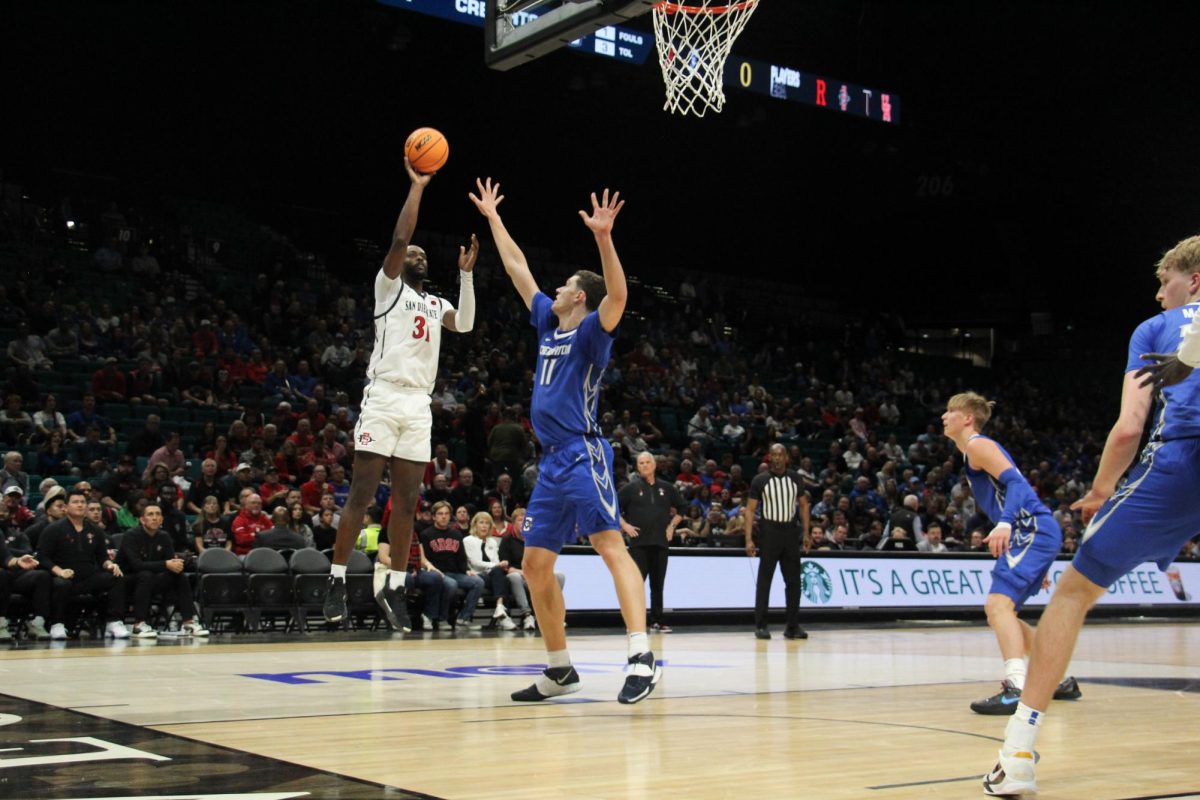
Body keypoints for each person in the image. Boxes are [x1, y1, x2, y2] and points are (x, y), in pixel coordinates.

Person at [982, 237, 1200, 796]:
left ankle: (1019, 751)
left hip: (1182, 465)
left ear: (1193, 282)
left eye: (1166, 282)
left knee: (1074, 593)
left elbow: (1130, 427)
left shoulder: (1155, 330)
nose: (1158, 294)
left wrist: (1102, 488)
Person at [470, 178, 660, 704]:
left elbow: (618, 295)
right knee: (534, 565)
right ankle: (559, 671)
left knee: (608, 546)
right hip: (550, 463)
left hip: (583, 452)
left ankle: (642, 656)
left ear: (579, 297)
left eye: (563, 287)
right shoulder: (548, 327)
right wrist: (493, 219)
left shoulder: (590, 334)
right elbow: (517, 268)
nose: (551, 290)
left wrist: (604, 238)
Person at [323, 158, 478, 634]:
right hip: (385, 397)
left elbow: (467, 324)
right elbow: (396, 240)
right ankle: (336, 578)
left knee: (409, 503)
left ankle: (391, 585)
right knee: (363, 494)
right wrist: (417, 189)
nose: (418, 256)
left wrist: (466, 276)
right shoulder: (387, 290)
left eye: (423, 255)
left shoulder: (437, 304)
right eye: (414, 253)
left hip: (418, 405)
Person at [942, 392, 1080, 720]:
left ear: (967, 418)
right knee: (1007, 615)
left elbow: (1017, 484)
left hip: (1028, 529)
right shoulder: (971, 451)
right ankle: (1057, 680)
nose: (943, 417)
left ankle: (1016, 687)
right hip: (1032, 533)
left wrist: (1005, 524)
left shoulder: (977, 444)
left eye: (950, 411)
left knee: (996, 606)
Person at [38, 489, 129, 640]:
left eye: (82, 502)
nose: (80, 505)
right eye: (75, 502)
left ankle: (114, 622)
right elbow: (42, 557)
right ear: (66, 507)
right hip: (63, 577)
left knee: (116, 577)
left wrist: (109, 565)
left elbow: (102, 557)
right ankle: (57, 624)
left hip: (88, 577)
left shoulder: (95, 531)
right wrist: (59, 571)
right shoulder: (53, 529)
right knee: (61, 584)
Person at [744, 443, 810, 640]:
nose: (777, 458)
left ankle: (792, 626)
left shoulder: (795, 478)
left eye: (780, 454)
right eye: (773, 454)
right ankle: (761, 625)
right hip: (769, 531)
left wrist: (806, 533)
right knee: (765, 581)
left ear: (786, 457)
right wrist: (748, 539)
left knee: (794, 582)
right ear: (769, 458)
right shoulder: (760, 480)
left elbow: (804, 506)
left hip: (790, 531)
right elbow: (749, 510)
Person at [119, 503, 208, 638]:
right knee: (145, 574)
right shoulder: (131, 535)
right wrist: (166, 564)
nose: (155, 518)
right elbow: (136, 565)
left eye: (158, 514)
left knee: (179, 575)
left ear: (161, 520)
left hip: (152, 579)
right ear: (142, 520)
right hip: (128, 580)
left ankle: (188, 622)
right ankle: (139, 625)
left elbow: (171, 562)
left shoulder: (164, 536)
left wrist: (177, 564)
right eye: (150, 514)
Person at [618, 451, 684, 633]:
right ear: (637, 467)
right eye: (641, 463)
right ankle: (635, 623)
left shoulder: (667, 488)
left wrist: (671, 526)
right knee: (636, 585)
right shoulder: (631, 488)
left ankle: (657, 620)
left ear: (654, 465)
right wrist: (624, 525)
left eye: (648, 462)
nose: (645, 465)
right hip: (638, 544)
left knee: (657, 585)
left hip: (661, 543)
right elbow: (612, 507)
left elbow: (682, 508)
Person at [418, 501, 483, 630]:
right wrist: (433, 571)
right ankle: (442, 619)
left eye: (447, 514)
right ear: (434, 516)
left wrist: (467, 570)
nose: (444, 516)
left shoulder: (456, 534)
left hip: (456, 573)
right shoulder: (426, 534)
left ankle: (463, 618)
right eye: (440, 514)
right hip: (436, 573)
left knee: (478, 582)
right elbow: (424, 558)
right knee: (451, 584)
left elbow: (461, 556)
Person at [463, 510, 518, 630]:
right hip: (476, 574)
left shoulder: (492, 541)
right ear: (475, 524)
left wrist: (501, 564)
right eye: (481, 522)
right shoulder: (468, 540)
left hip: (491, 574)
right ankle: (503, 614)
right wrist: (496, 565)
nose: (484, 526)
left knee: (506, 578)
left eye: (487, 523)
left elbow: (496, 561)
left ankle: (500, 610)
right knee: (501, 576)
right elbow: (475, 563)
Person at [0, 532, 52, 641]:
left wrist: (18, 561)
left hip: (10, 576)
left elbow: (5, 558)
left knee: (42, 576)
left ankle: (37, 622)